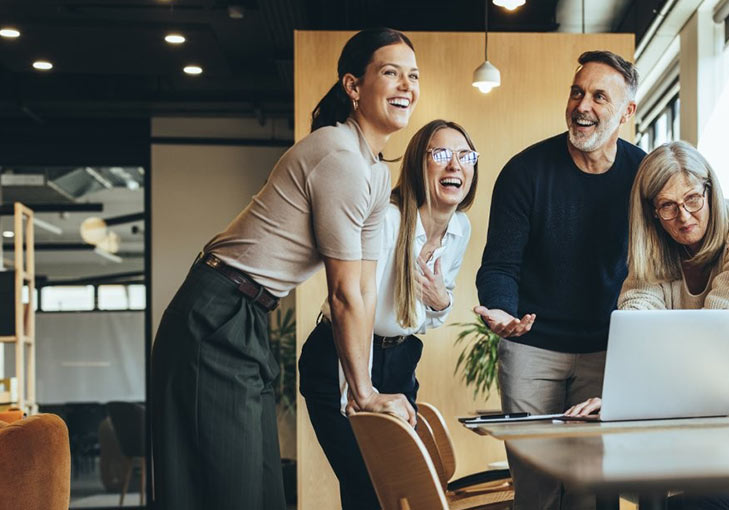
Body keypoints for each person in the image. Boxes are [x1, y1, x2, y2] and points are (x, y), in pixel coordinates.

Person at [150, 28, 419, 510]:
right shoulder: (338, 156)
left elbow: (364, 287)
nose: (406, 86)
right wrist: (363, 394)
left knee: (261, 490)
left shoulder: (375, 173)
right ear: (353, 87)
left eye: (413, 76)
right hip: (214, 313)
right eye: (390, 72)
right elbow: (341, 296)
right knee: (226, 491)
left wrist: (367, 388)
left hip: (249, 313)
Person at [475, 50, 645, 510]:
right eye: (576, 92)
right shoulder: (524, 172)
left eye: (598, 96)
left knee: (594, 489)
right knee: (537, 488)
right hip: (532, 348)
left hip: (608, 350)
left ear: (627, 113)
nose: (582, 105)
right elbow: (500, 266)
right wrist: (502, 311)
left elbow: (658, 267)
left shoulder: (643, 175)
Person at [298, 119, 478, 509]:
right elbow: (354, 305)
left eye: (465, 156)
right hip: (342, 355)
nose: (455, 166)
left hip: (400, 358)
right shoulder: (389, 220)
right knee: (368, 487)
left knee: (399, 488)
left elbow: (424, 320)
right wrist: (357, 392)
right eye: (441, 155)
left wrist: (441, 303)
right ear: (418, 164)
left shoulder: (459, 228)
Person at [565, 140, 729, 418]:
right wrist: (621, 398)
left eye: (693, 198)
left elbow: (715, 334)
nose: (684, 216)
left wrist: (635, 396)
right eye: (667, 205)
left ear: (710, 190)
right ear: (652, 212)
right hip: (682, 395)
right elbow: (638, 324)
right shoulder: (654, 245)